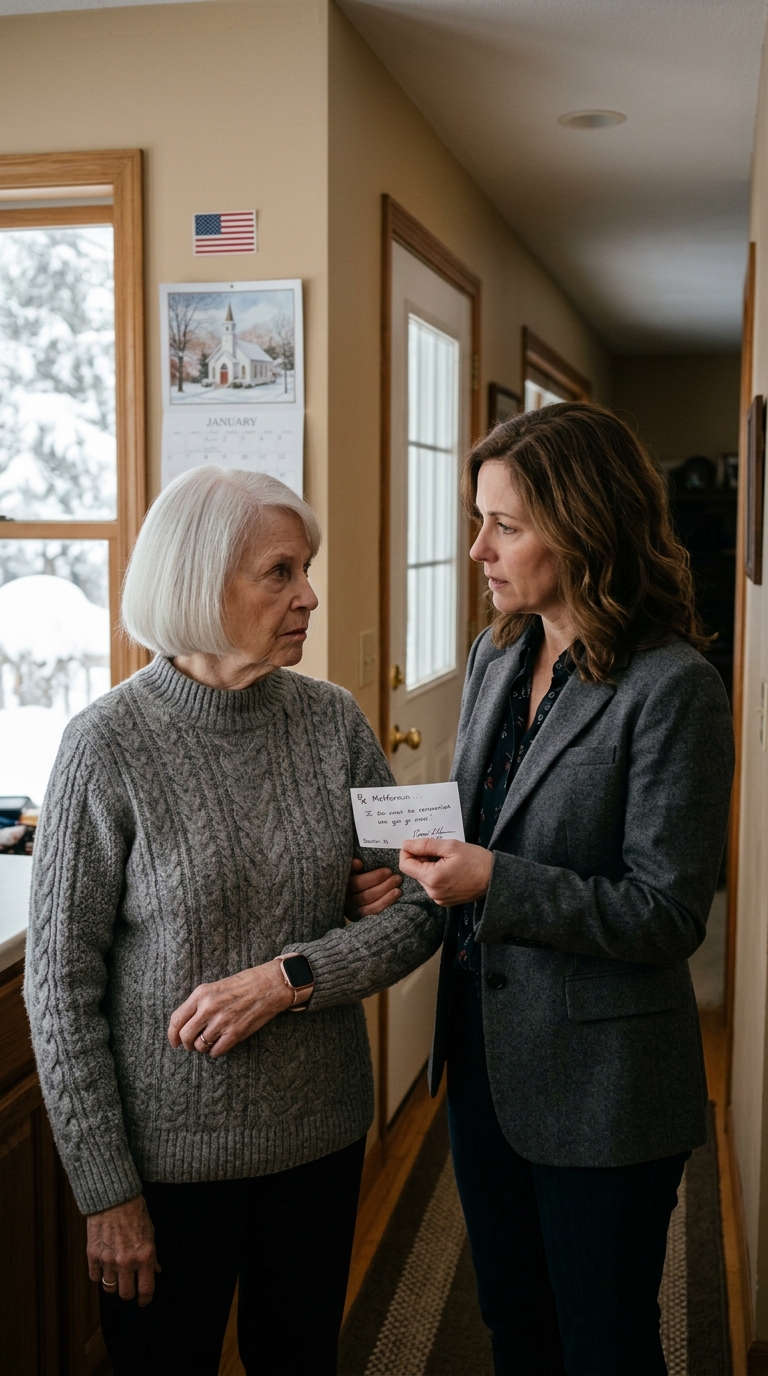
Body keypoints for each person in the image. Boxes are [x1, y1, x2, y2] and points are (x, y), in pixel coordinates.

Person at [24, 466, 442, 1376]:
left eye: (307, 569)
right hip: (166, 1169)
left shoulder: (333, 722)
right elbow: (59, 989)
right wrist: (106, 1193)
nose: (310, 596)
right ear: (200, 582)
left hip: (322, 1141)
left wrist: (290, 978)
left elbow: (422, 905)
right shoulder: (105, 745)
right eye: (281, 572)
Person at [397, 402, 734, 1376]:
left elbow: (667, 911)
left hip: (606, 1085)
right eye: (478, 519)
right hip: (483, 1058)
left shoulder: (673, 689)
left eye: (505, 524)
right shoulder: (498, 651)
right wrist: (406, 865)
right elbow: (482, 820)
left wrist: (496, 880)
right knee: (515, 1322)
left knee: (607, 1343)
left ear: (585, 526)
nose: (477, 549)